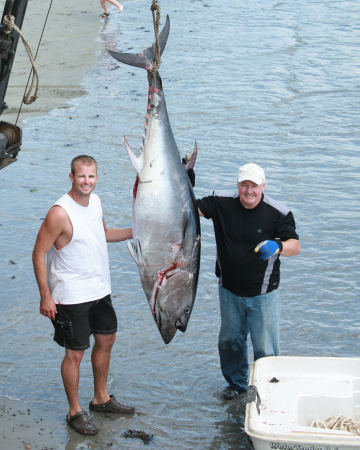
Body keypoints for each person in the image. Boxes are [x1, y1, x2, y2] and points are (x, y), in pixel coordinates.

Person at [32, 155, 134, 436]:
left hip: (100, 289)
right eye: (81, 176)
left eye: (91, 177)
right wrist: (45, 296)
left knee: (106, 339)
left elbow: (103, 234)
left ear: (97, 178)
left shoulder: (97, 202)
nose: (86, 182)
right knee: (75, 354)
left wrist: (136, 231)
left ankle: (101, 399)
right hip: (71, 294)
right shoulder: (59, 212)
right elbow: (38, 253)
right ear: (71, 177)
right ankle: (74, 411)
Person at [196, 163, 300, 400]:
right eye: (245, 185)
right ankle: (237, 384)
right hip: (229, 291)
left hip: (263, 295)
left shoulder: (279, 213)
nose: (249, 190)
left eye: (254, 185)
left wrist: (279, 246)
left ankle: (268, 389)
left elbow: (296, 246)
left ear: (264, 186)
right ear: (238, 185)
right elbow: (186, 207)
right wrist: (184, 177)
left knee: (265, 348)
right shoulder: (220, 202)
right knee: (229, 342)